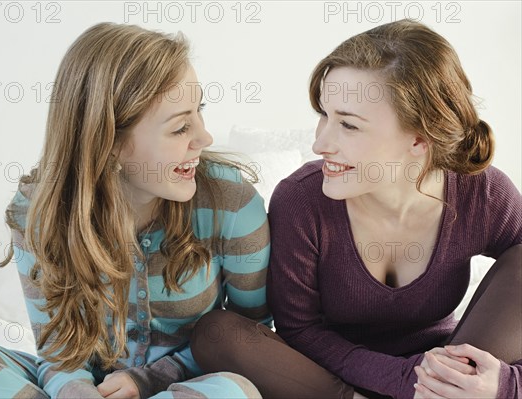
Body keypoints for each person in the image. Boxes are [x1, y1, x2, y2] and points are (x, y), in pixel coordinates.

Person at [0, 22, 271, 399]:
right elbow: (58, 352)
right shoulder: (37, 211)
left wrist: (146, 380)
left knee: (234, 390)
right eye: (180, 127)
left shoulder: (231, 201)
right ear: (111, 142)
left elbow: (247, 337)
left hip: (185, 386)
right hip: (80, 391)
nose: (204, 138)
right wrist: (75, 391)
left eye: (199, 112)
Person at [190, 19, 521, 399]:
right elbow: (301, 330)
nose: (320, 144)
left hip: (443, 373)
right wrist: (401, 379)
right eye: (324, 115)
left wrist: (503, 385)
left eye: (348, 124)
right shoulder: (300, 199)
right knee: (216, 332)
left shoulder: (483, 193)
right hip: (339, 383)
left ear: (419, 139)